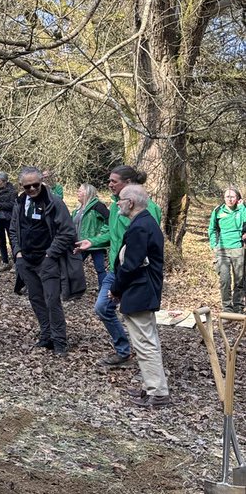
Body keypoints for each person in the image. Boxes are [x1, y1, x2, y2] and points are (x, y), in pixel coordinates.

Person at [76, 165, 162, 368]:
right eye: (109, 180)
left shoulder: (148, 209)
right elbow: (113, 235)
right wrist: (93, 242)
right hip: (116, 270)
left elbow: (147, 243)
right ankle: (124, 351)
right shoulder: (116, 206)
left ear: (128, 183)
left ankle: (150, 367)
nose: (109, 185)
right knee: (102, 308)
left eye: (114, 181)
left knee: (141, 319)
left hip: (136, 272)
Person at [10, 167, 85, 356]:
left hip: (47, 260)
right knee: (36, 299)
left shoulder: (54, 202)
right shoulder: (19, 203)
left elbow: (67, 231)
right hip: (26, 260)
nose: (33, 189)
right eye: (28, 186)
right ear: (22, 186)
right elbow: (13, 230)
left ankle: (60, 340)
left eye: (36, 184)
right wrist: (17, 252)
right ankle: (46, 335)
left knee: (52, 300)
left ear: (41, 182)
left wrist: (51, 254)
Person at [111, 184, 169, 409]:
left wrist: (116, 289)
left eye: (121, 199)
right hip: (142, 290)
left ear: (131, 203)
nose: (118, 202)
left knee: (145, 343)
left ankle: (159, 393)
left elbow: (131, 265)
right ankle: (150, 388)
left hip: (140, 291)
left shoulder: (140, 227)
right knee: (146, 341)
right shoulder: (144, 223)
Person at [207, 188, 246, 313]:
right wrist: (214, 245)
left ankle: (238, 308)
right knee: (224, 280)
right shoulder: (218, 211)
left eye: (232, 196)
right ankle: (227, 309)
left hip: (238, 249)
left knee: (239, 280)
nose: (230, 199)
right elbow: (212, 229)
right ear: (224, 198)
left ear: (237, 198)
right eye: (227, 196)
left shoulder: (242, 210)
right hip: (222, 250)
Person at [72, 184, 110, 288]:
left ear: (87, 193)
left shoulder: (97, 206)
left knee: (100, 269)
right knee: (74, 266)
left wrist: (101, 234)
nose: (77, 193)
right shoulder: (78, 209)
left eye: (80, 191)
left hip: (95, 243)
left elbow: (110, 220)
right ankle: (75, 289)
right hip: (81, 243)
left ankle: (104, 290)